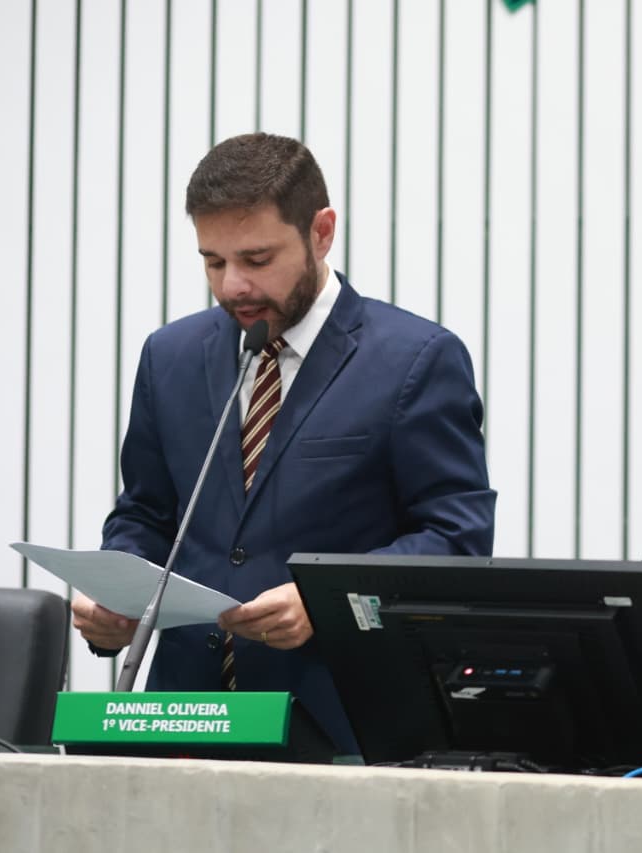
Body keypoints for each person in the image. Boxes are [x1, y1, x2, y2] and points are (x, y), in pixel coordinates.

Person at [71, 133, 496, 754]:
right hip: (180, 723)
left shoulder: (416, 360)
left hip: (341, 725)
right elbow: (147, 514)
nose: (233, 286)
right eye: (213, 262)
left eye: (257, 258)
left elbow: (457, 539)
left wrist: (330, 603)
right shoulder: (171, 356)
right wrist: (117, 598)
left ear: (321, 232)